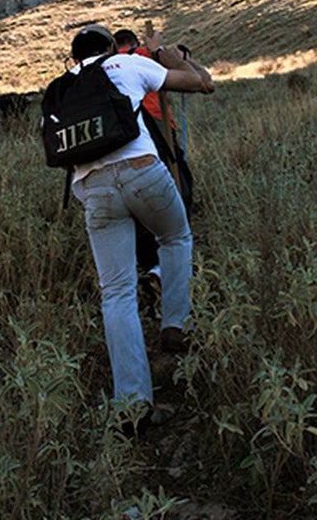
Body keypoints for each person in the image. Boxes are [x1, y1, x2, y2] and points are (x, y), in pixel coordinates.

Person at [65, 24, 215, 424]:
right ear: (111, 47)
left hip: (93, 189)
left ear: (74, 56)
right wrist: (159, 49)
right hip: (142, 171)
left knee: (115, 293)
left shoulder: (63, 84)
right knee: (175, 236)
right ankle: (176, 324)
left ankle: (132, 405)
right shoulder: (127, 64)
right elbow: (199, 82)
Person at [114, 29, 199, 309]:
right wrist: (167, 51)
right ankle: (173, 269)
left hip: (125, 140)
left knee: (139, 207)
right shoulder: (144, 56)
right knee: (179, 190)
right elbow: (197, 77)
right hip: (160, 129)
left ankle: (151, 268)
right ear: (134, 42)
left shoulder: (108, 66)